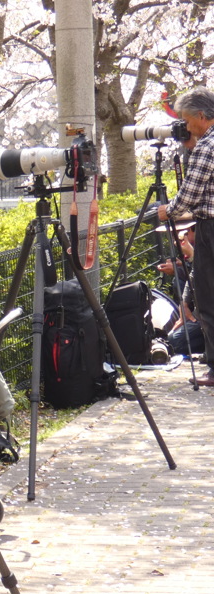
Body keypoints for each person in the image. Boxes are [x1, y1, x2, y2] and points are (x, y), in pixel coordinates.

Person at [157, 86, 214, 386]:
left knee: (208, 298)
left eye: (189, 120)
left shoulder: (206, 146)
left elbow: (189, 195)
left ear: (203, 117)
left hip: (210, 229)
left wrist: (168, 210)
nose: (186, 127)